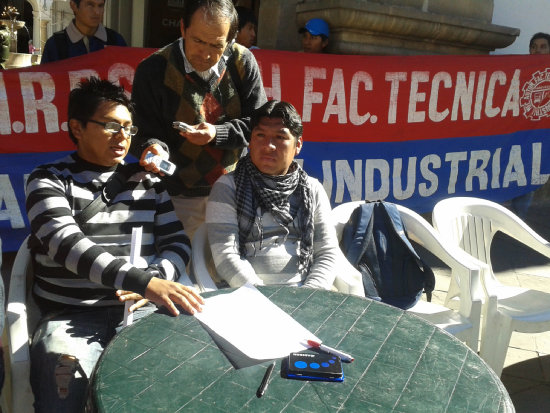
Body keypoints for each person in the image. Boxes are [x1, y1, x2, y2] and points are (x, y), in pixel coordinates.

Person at [26, 77, 203, 412]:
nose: (123, 137)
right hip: (72, 316)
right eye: (110, 126)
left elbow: (177, 242)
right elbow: (67, 245)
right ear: (76, 128)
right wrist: (144, 281)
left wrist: (153, 278)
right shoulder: (48, 179)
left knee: (185, 381)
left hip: (143, 310)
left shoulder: (148, 181)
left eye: (129, 128)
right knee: (63, 390)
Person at [131, 0, 267, 240]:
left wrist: (217, 134)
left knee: (228, 267)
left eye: (217, 45)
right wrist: (153, 148)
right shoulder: (152, 69)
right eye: (198, 41)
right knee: (185, 264)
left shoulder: (243, 62)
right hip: (178, 196)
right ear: (183, 28)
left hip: (234, 190)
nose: (205, 54)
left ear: (231, 39)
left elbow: (259, 125)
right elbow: (141, 131)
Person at [205, 100, 340, 289]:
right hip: (247, 297)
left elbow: (327, 252)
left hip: (308, 296)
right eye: (260, 135)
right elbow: (226, 255)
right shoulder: (227, 187)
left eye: (279, 137)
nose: (268, 146)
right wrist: (262, 298)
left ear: (298, 144)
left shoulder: (312, 189)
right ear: (250, 141)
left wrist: (310, 296)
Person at [40, 0, 126, 64]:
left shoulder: (116, 41)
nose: (97, 12)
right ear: (73, 5)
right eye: (90, 5)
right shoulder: (54, 45)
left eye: (100, 6)